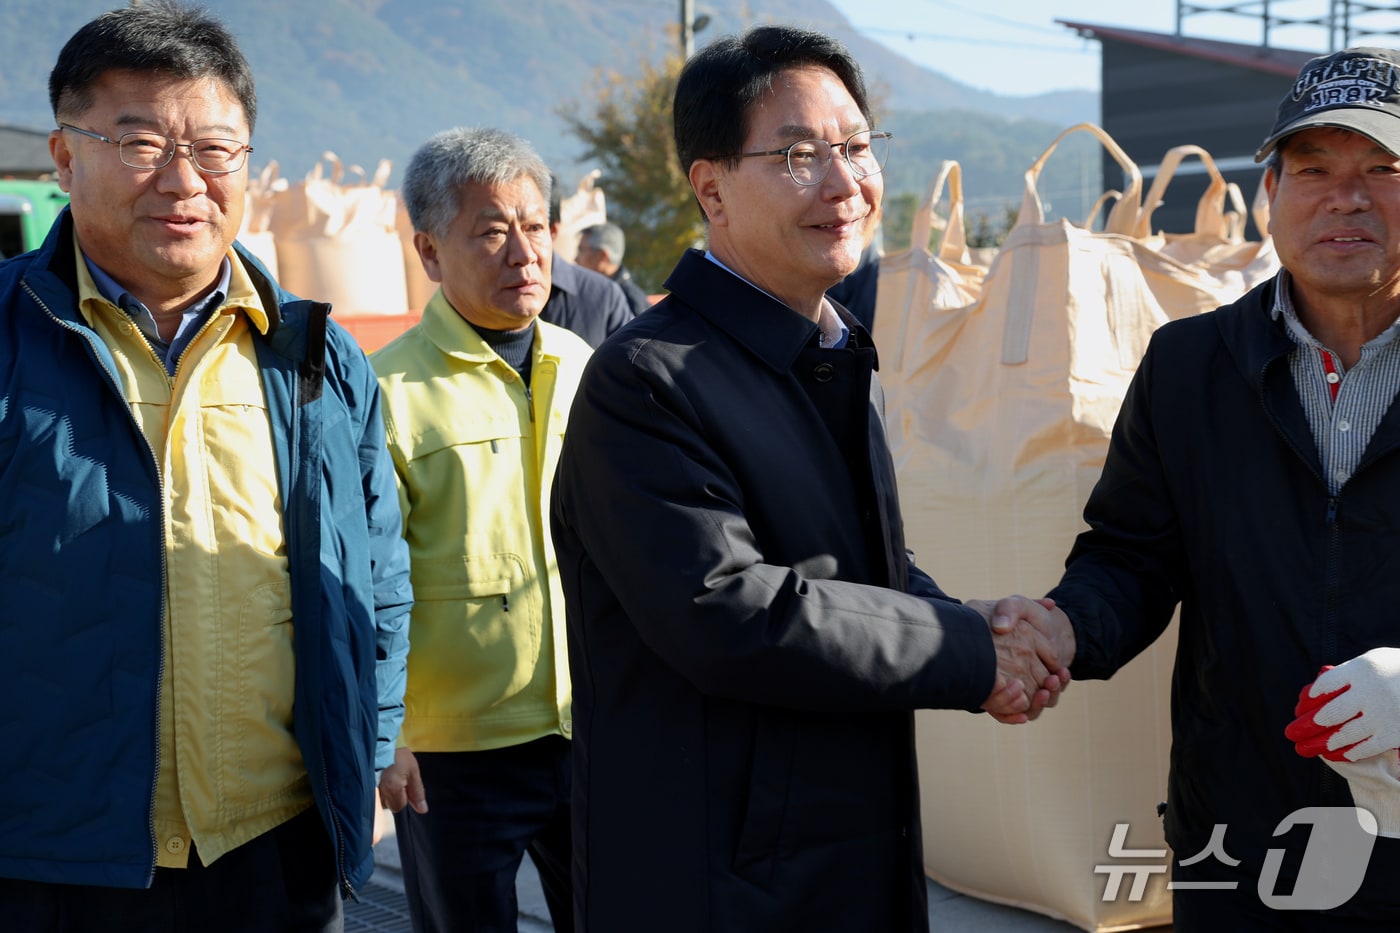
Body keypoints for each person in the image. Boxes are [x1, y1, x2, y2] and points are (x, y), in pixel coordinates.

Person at [549, 25, 1069, 933]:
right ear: (710, 187)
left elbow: (864, 568)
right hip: (718, 879)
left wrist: (975, 622)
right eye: (797, 155)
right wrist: (970, 652)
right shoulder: (647, 380)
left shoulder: (827, 351)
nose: (845, 184)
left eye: (857, 148)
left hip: (848, 850)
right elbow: (731, 610)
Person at [0, 5, 412, 931]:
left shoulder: (317, 356)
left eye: (216, 149)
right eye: (140, 141)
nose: (184, 180)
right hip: (49, 860)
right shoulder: (8, 338)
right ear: (64, 159)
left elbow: (377, 575)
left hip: (276, 853)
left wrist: (369, 741)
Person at [991, 45, 1400, 929]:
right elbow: (1132, 556)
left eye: (1383, 168)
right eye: (1314, 169)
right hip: (1241, 838)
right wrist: (1063, 626)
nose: (1348, 196)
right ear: (1271, 195)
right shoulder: (1191, 367)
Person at [372, 127, 590, 933]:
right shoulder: (386, 391)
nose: (523, 253)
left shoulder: (584, 367)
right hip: (451, 755)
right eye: (492, 231)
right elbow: (361, 578)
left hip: (585, 724)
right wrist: (381, 731)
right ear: (429, 251)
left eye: (536, 226)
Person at [539, 177, 633, 347]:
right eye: (495, 230)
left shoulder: (606, 297)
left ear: (553, 230)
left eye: (531, 227)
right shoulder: (480, 293)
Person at [576, 221, 652, 316]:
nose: (576, 258)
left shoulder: (632, 303)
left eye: (581, 250)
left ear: (601, 256)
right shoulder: (598, 292)